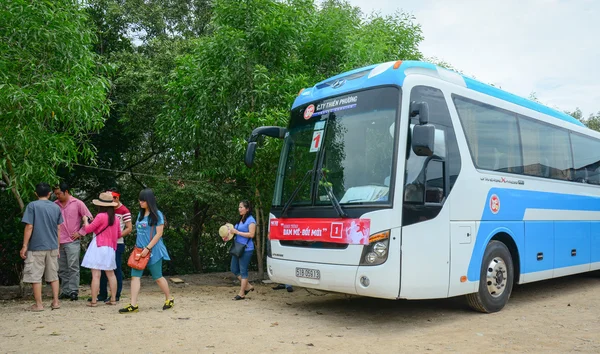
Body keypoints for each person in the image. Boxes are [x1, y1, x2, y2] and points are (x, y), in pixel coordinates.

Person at [119, 188, 173, 313]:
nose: (140, 202)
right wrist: (139, 249)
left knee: (157, 277)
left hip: (153, 250)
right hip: (139, 251)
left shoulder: (157, 214)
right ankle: (133, 305)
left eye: (143, 200)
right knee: (135, 277)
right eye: (140, 200)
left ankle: (169, 298)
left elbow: (159, 234)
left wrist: (148, 248)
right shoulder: (140, 214)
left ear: (149, 201)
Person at [20, 183, 64, 311]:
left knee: (36, 276)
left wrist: (24, 245)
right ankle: (56, 302)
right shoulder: (56, 207)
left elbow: (29, 226)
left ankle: (39, 304)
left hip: (36, 246)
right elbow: (58, 228)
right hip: (52, 246)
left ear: (35, 193)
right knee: (53, 275)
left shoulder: (32, 205)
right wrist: (58, 245)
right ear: (49, 194)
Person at [78, 192, 121, 307]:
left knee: (96, 275)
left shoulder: (100, 216)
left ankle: (94, 301)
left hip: (98, 246)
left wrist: (85, 221)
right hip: (111, 248)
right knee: (111, 274)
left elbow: (88, 230)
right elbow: (119, 234)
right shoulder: (116, 219)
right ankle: (113, 299)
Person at [53, 182, 92, 301]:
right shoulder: (54, 205)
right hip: (58, 241)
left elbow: (89, 218)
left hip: (72, 240)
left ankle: (74, 290)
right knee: (61, 267)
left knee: (73, 266)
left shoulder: (78, 203)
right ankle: (65, 290)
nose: (57, 196)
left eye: (59, 193)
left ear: (66, 192)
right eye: (56, 194)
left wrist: (81, 232)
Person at [91, 189, 132, 303]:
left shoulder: (124, 210)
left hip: (117, 243)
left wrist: (116, 236)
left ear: (117, 198)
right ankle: (102, 294)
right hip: (105, 243)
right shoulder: (105, 210)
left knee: (115, 269)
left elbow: (129, 228)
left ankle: (116, 294)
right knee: (102, 270)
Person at [228, 200, 256, 300]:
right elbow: (235, 232)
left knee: (243, 271)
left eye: (241, 207)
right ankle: (247, 286)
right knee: (234, 269)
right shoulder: (240, 219)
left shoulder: (251, 220)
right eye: (239, 207)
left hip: (246, 248)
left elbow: (251, 234)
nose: (239, 209)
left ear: (247, 209)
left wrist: (238, 232)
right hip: (237, 247)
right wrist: (228, 235)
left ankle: (242, 293)